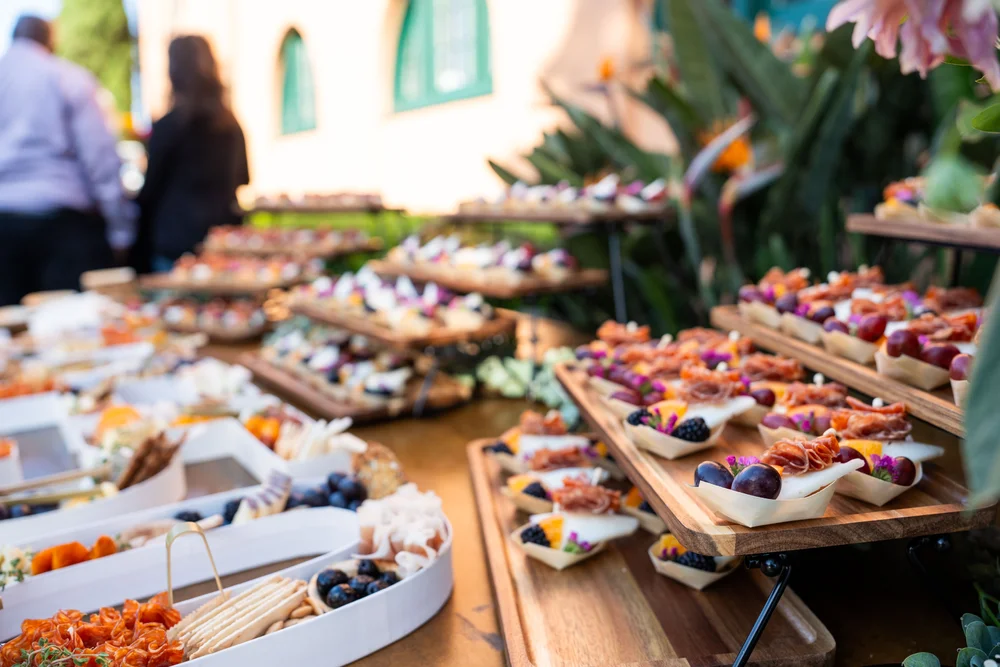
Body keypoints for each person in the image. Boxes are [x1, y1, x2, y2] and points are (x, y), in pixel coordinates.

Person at [0, 15, 135, 306]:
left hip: (5, 220)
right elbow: (100, 158)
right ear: (50, 40)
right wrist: (120, 230)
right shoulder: (67, 77)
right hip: (60, 222)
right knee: (66, 320)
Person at [135, 35, 249, 273]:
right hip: (221, 236)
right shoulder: (229, 125)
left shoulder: (170, 127)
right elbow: (243, 177)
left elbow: (150, 191)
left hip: (176, 243)